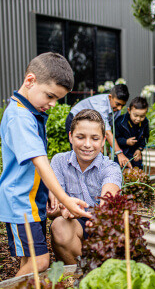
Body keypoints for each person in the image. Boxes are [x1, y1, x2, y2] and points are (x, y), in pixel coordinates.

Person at [0, 52, 92, 277]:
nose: (52, 104)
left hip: (32, 201)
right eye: (50, 96)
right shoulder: (19, 117)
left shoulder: (30, 112)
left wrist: (48, 190)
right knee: (40, 261)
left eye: (57, 99)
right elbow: (40, 162)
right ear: (30, 81)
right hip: (20, 204)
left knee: (28, 260)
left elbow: (34, 166)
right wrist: (65, 199)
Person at [47, 109, 122, 265]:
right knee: (59, 225)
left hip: (101, 229)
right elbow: (53, 211)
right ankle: (79, 273)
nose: (87, 145)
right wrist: (64, 208)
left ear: (103, 141)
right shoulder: (59, 162)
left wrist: (100, 216)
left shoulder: (110, 168)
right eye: (80, 137)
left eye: (95, 138)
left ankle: (99, 272)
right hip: (74, 227)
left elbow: (107, 203)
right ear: (71, 137)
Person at [65, 84, 132, 168]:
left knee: (96, 151)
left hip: (91, 123)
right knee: (80, 151)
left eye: (122, 105)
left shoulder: (115, 108)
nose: (119, 108)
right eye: (118, 104)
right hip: (75, 118)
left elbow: (109, 129)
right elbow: (107, 133)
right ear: (110, 97)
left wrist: (103, 146)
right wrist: (119, 153)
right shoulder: (101, 105)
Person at [114, 96, 150, 169]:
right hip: (122, 153)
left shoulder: (145, 122)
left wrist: (139, 149)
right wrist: (126, 141)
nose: (138, 119)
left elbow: (145, 137)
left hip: (135, 154)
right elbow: (115, 139)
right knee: (120, 172)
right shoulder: (120, 122)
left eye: (142, 116)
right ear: (129, 110)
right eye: (135, 115)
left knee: (137, 171)